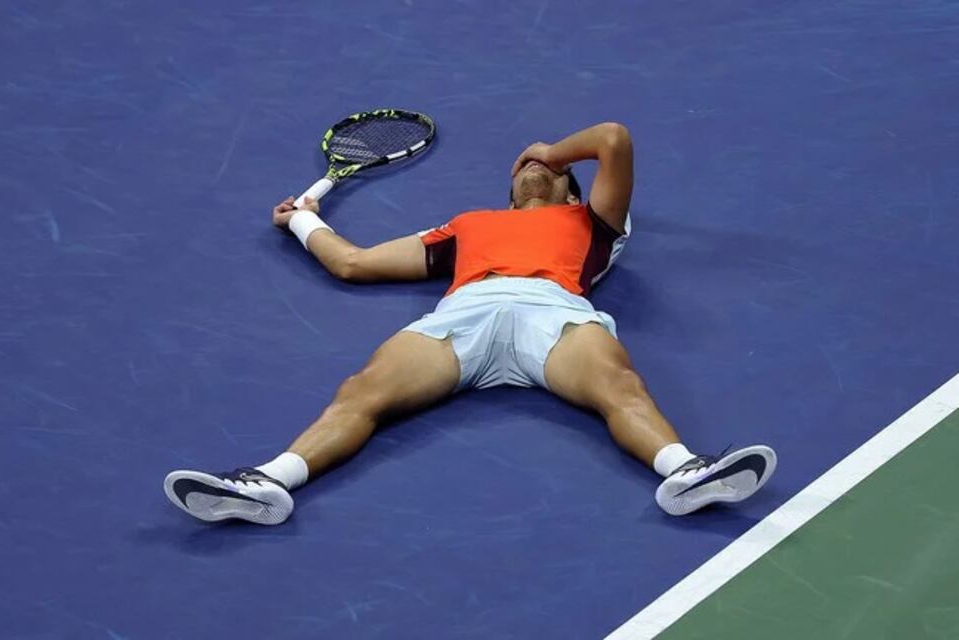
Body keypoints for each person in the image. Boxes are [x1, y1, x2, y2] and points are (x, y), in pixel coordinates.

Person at [163, 122, 777, 525]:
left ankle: (685, 473)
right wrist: (302, 221)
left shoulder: (594, 221)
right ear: (509, 190)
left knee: (620, 386)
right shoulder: (467, 225)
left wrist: (550, 150)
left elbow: (613, 139)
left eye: (554, 169)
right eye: (525, 168)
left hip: (553, 311)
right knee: (362, 391)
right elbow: (353, 263)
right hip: (463, 316)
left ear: (571, 191)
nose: (535, 168)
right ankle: (267, 484)